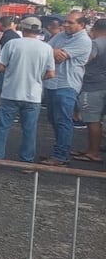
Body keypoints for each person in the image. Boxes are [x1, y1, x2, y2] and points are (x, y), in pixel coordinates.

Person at [0, 17, 54, 169]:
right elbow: (51, 73)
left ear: (22, 29)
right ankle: (26, 162)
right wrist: (37, 77)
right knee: (29, 129)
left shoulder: (12, 44)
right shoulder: (46, 48)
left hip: (11, 92)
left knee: (3, 127)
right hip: (33, 95)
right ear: (39, 31)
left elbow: (1, 67)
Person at [40, 12, 91, 166]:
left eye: (70, 22)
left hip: (67, 85)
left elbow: (56, 55)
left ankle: (60, 156)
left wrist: (51, 52)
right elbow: (46, 51)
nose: (65, 25)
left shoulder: (84, 40)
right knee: (54, 119)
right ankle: (60, 151)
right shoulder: (61, 36)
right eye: (65, 22)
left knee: (63, 121)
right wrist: (51, 52)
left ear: (81, 25)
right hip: (51, 83)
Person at [74, 19, 106, 163]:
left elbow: (85, 60)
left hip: (93, 86)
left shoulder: (96, 44)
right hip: (102, 84)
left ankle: (93, 152)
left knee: (93, 120)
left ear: (95, 29)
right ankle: (91, 149)